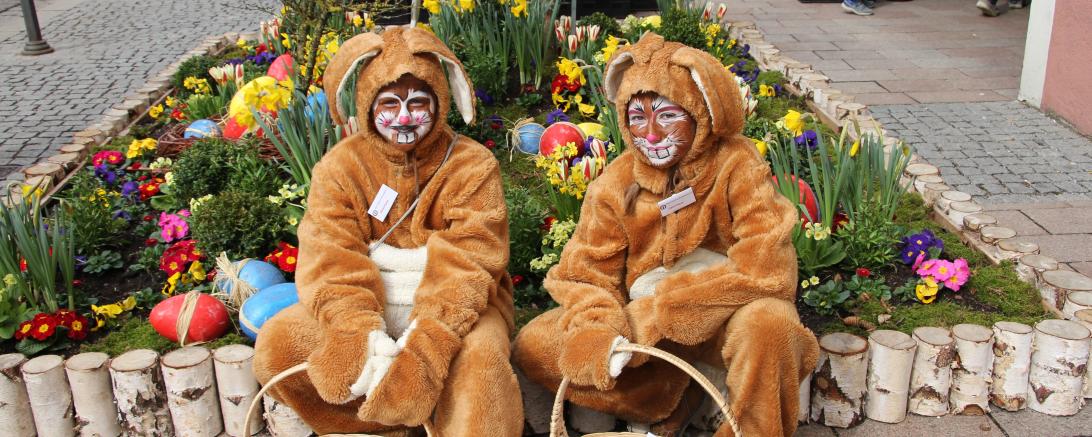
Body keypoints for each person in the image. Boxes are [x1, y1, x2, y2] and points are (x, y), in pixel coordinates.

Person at [512, 33, 819, 437]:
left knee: (773, 325)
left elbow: (768, 269)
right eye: (637, 117)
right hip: (644, 336)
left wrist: (663, 312)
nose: (651, 134)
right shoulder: (615, 183)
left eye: (667, 114)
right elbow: (586, 274)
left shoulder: (737, 164)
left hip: (726, 316)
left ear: (702, 111)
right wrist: (599, 326)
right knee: (535, 344)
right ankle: (670, 396)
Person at [252, 27, 523, 436]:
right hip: (369, 301)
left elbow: (472, 260)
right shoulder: (340, 166)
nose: (403, 117)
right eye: (389, 104)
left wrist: (429, 343)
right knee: (279, 345)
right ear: (366, 105)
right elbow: (329, 254)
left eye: (418, 103)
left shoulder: (472, 164)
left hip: (455, 310)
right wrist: (355, 329)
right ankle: (382, 427)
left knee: (480, 364)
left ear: (440, 101)